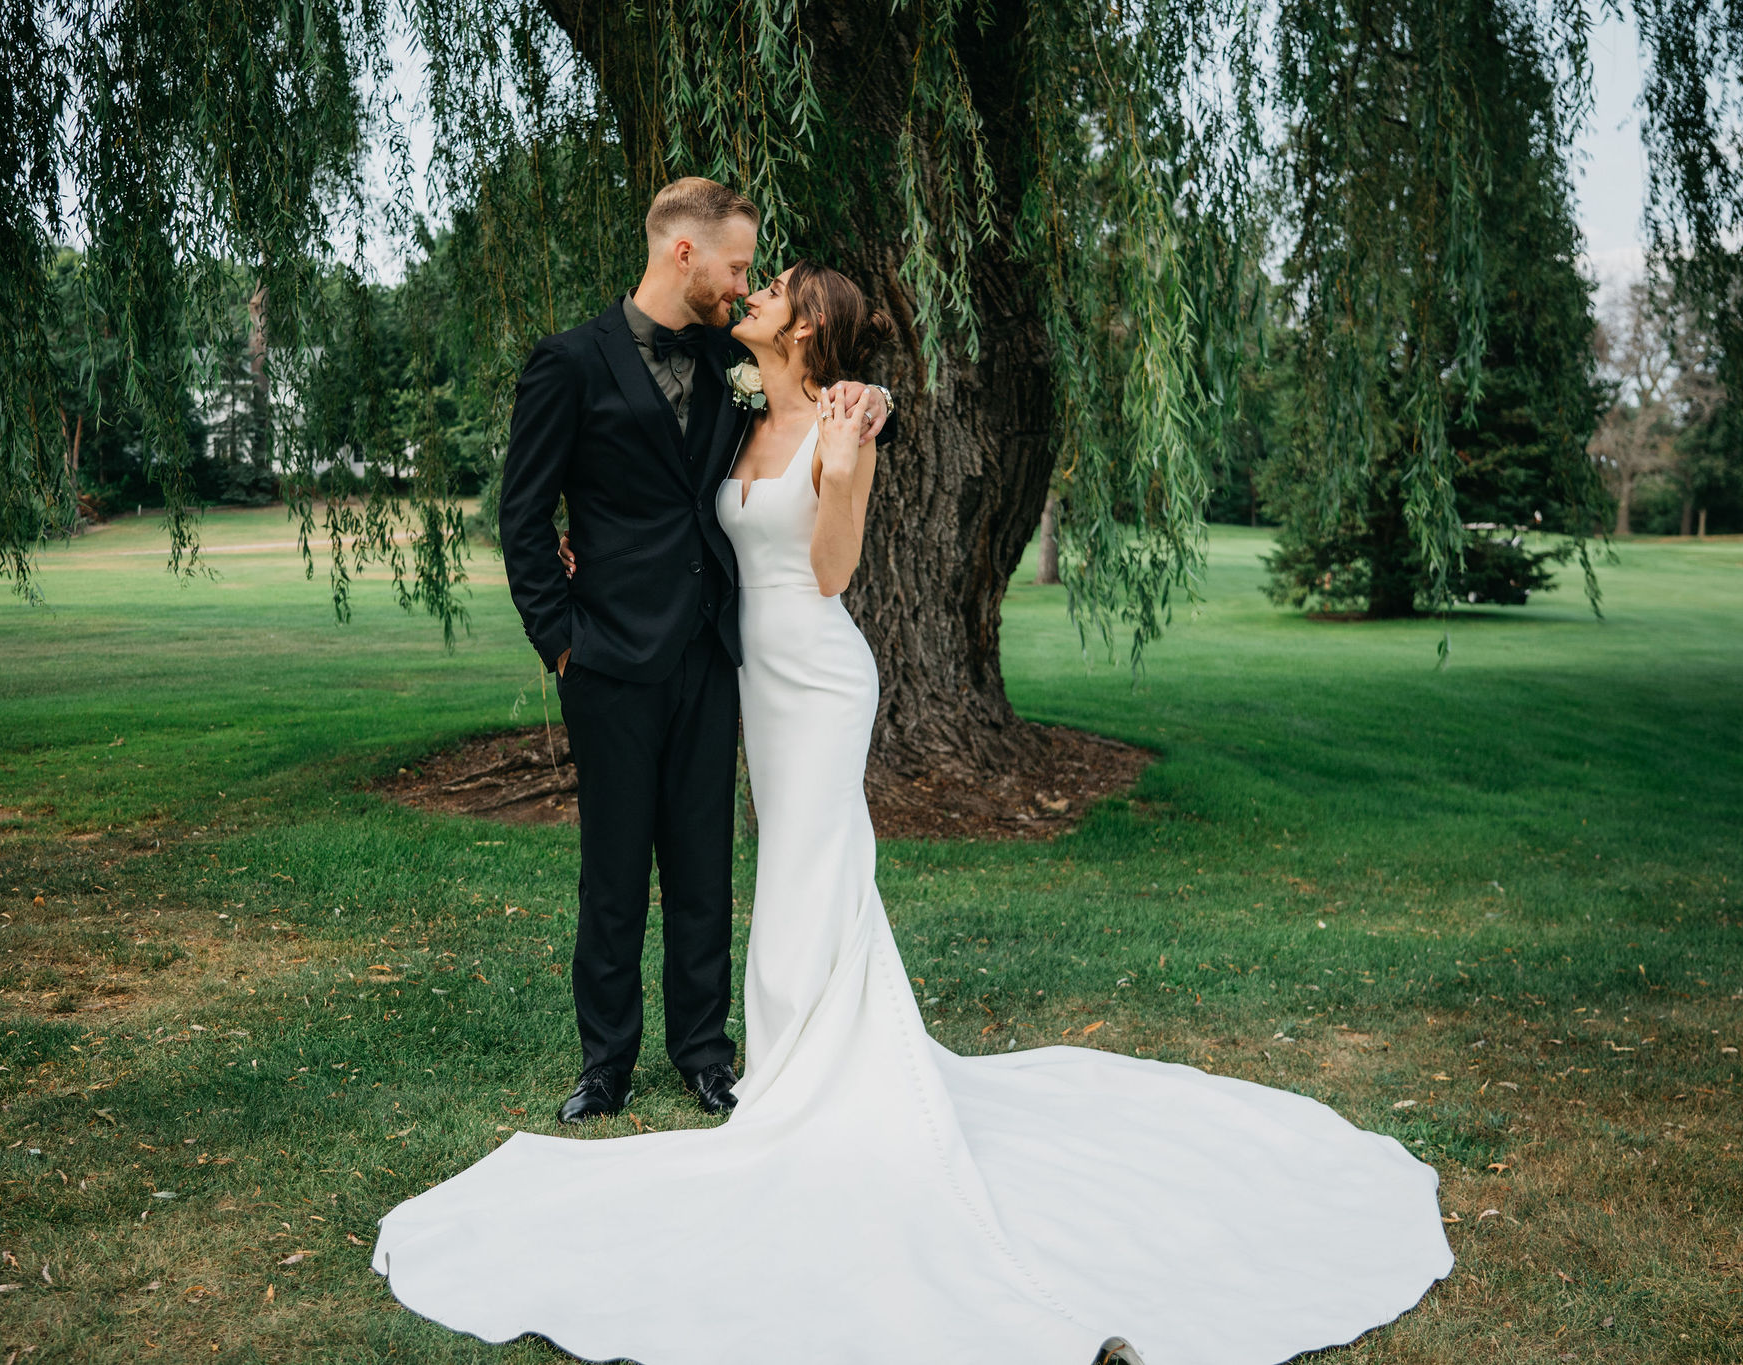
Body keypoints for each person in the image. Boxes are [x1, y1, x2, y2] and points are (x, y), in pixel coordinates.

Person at [374, 225, 1455, 1365]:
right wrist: (576, 612)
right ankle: (709, 1062)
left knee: (798, 861)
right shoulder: (738, 404)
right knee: (756, 862)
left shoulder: (838, 431)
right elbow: (634, 508)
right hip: (723, 667)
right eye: (748, 272)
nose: (753, 289)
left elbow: (832, 569)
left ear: (801, 328)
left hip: (814, 674)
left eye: (772, 287)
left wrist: (852, 449)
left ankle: (775, 1072)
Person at [493, 176, 890, 1126]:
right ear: (685, 254)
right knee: (615, 869)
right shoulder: (568, 362)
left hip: (715, 653)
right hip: (607, 658)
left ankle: (707, 1054)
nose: (741, 283)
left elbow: (821, 393)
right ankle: (605, 1063)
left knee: (705, 866)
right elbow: (521, 518)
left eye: (755, 274)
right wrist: (561, 645)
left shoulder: (731, 360)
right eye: (738, 265)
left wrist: (873, 395)